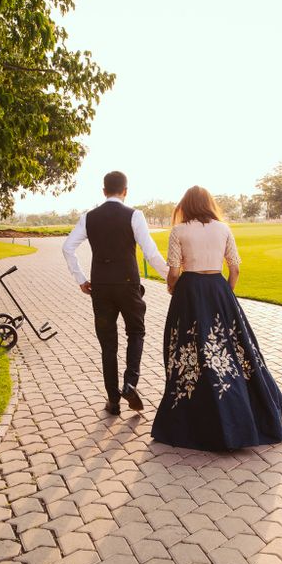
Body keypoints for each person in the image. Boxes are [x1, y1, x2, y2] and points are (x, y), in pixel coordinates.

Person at [151, 186, 282, 450]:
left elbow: (173, 271)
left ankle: (194, 417)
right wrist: (225, 293)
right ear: (208, 204)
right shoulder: (223, 229)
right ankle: (243, 415)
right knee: (234, 352)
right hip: (219, 289)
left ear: (186, 205)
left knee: (188, 354)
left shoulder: (179, 231)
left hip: (190, 292)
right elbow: (235, 269)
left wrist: (173, 288)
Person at [62, 171, 170, 415]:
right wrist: (170, 277)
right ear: (125, 191)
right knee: (136, 332)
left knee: (108, 344)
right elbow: (150, 252)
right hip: (128, 284)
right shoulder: (134, 215)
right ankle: (130, 382)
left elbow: (67, 247)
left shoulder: (89, 217)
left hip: (100, 288)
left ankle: (113, 401)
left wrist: (81, 279)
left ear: (103, 191)